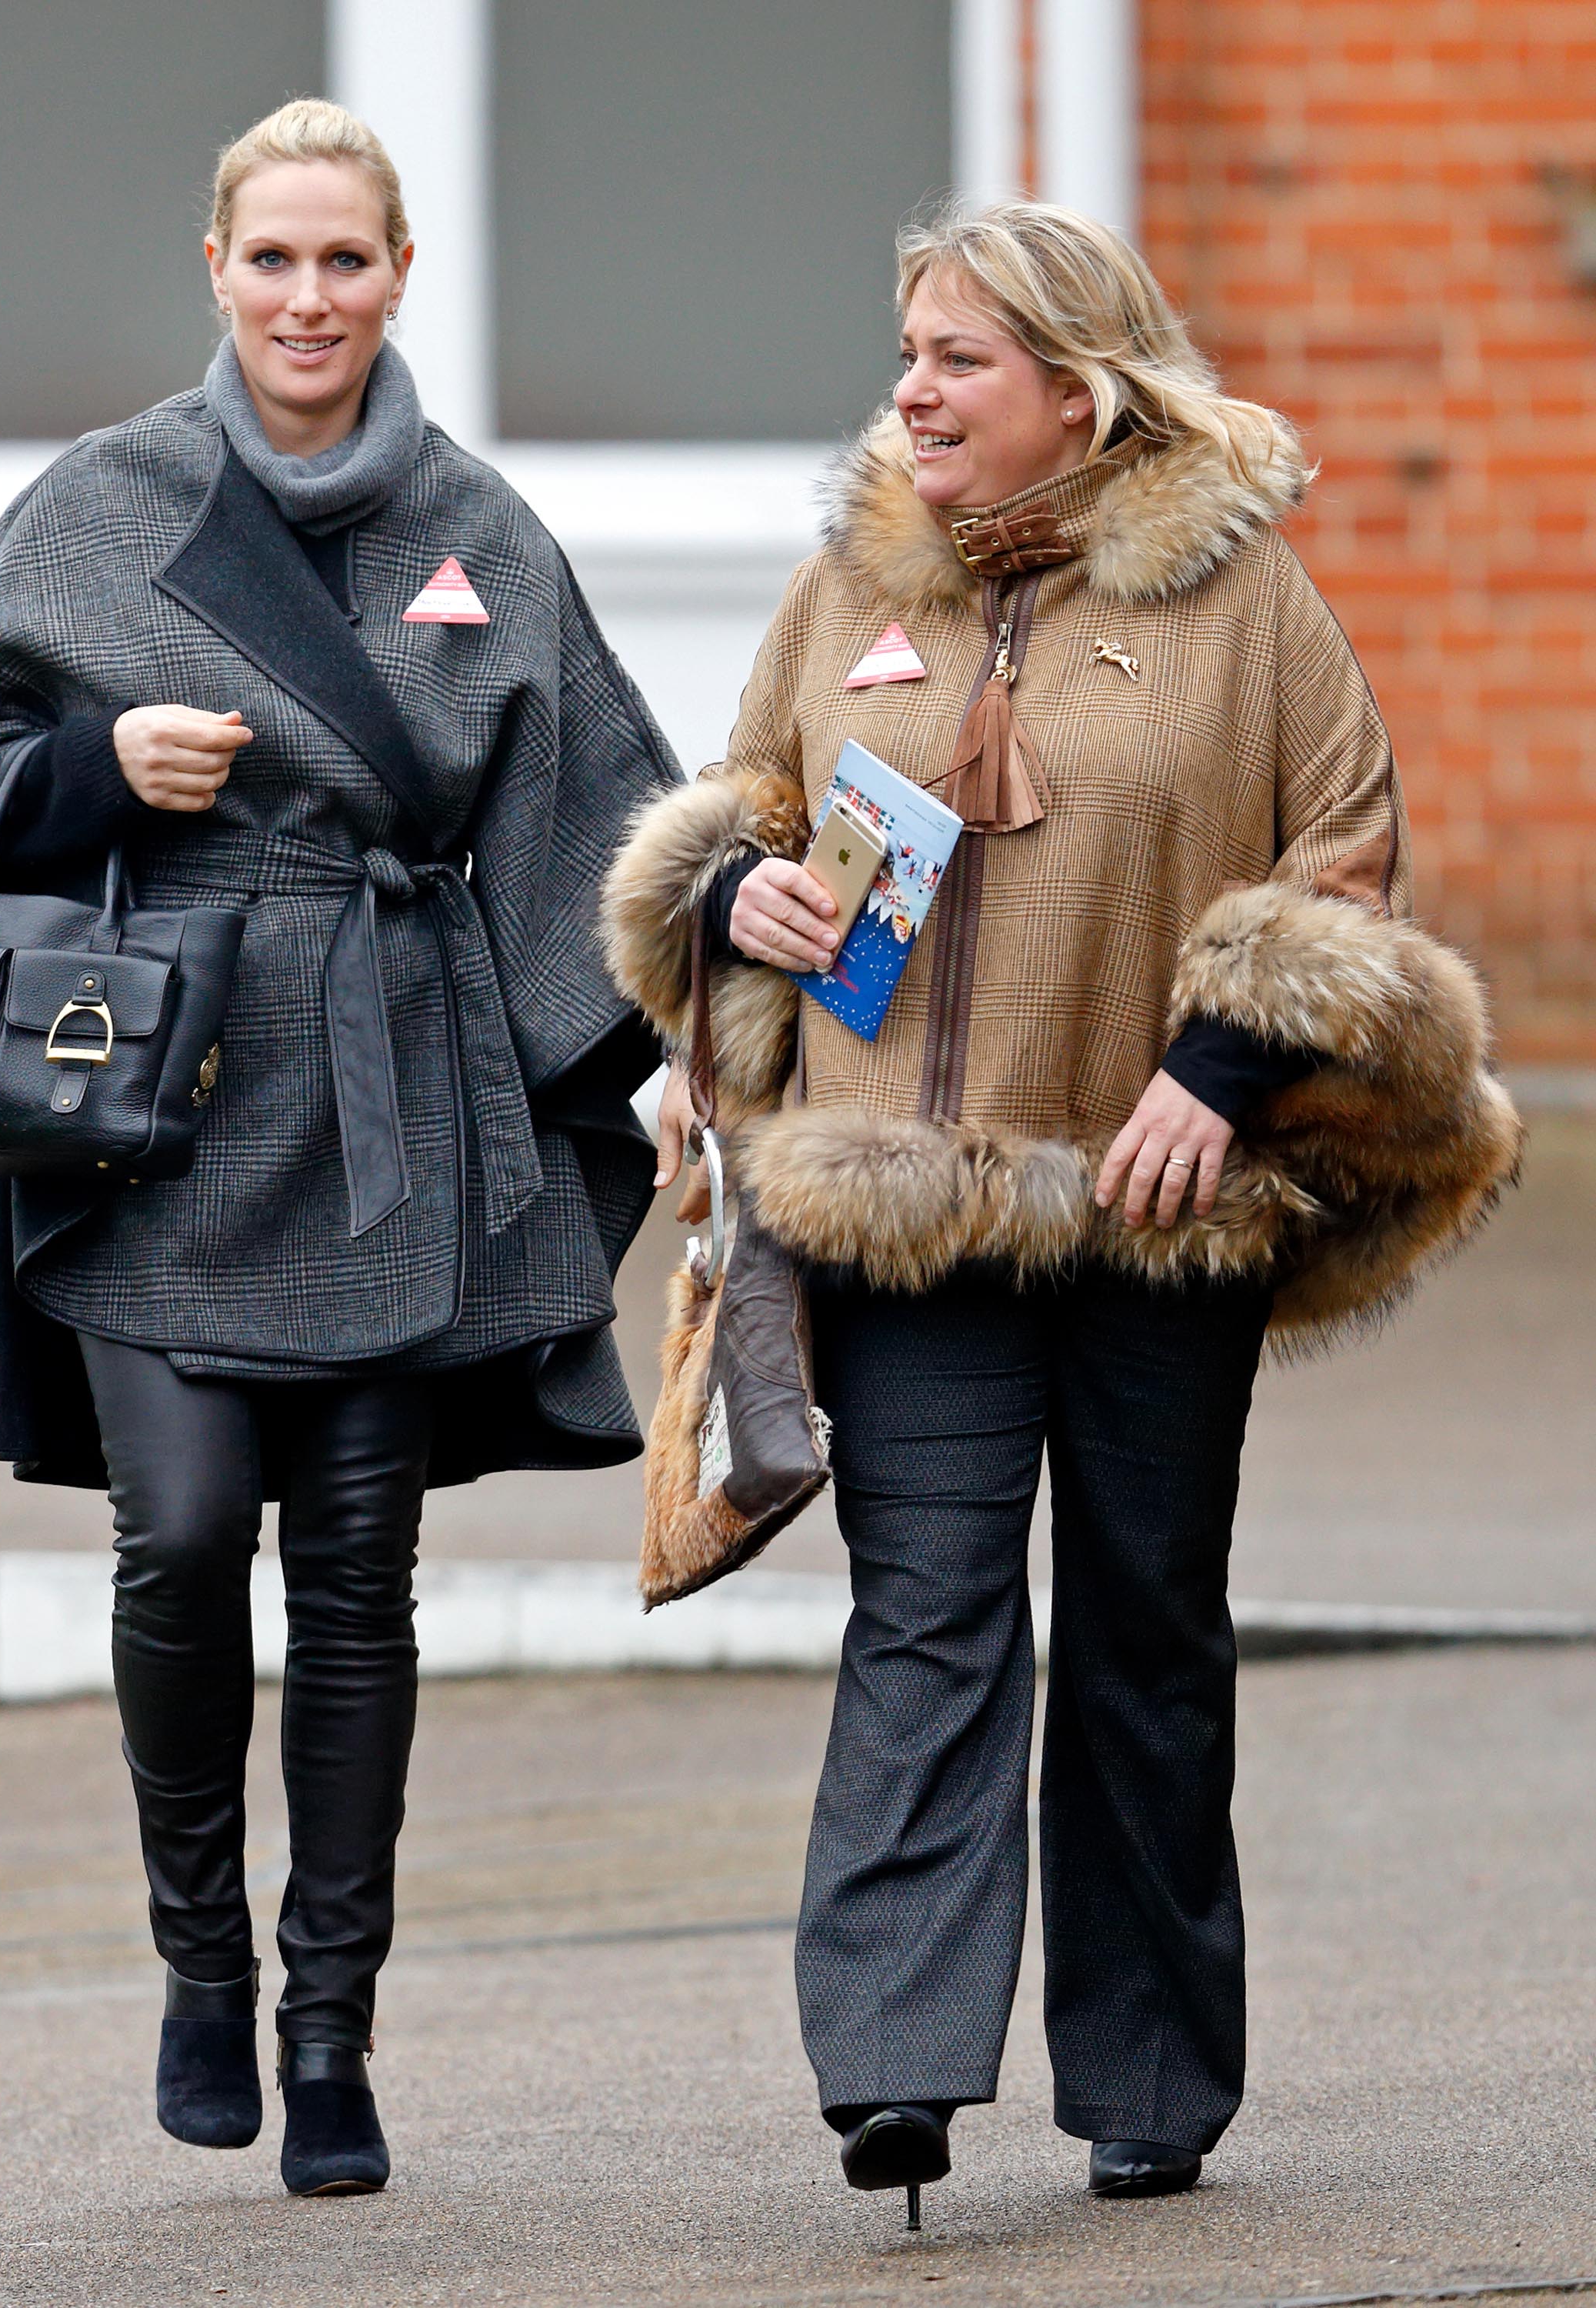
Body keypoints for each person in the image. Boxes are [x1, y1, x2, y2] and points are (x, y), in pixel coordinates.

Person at [602, 200, 1518, 2217]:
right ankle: (899, 2059)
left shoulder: (1245, 603)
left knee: (1139, 1633)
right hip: (905, 1209)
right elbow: (751, 819)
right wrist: (735, 906)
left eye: (957, 361)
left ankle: (1149, 2080)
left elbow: (1343, 860)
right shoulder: (849, 575)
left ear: (1075, 390)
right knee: (925, 1619)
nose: (912, 391)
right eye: (907, 350)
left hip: (1153, 1210)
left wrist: (1216, 1071)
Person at [0, 99, 678, 2196]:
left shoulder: (478, 531)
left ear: (399, 277)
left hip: (397, 1096)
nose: (308, 297)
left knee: (354, 1585)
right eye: (273, 259)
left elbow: (604, 811)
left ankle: (332, 2031)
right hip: (156, 1102)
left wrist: (676, 1042)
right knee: (177, 1534)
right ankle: (198, 1966)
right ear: (213, 270)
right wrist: (88, 770)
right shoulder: (107, 501)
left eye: (347, 260)